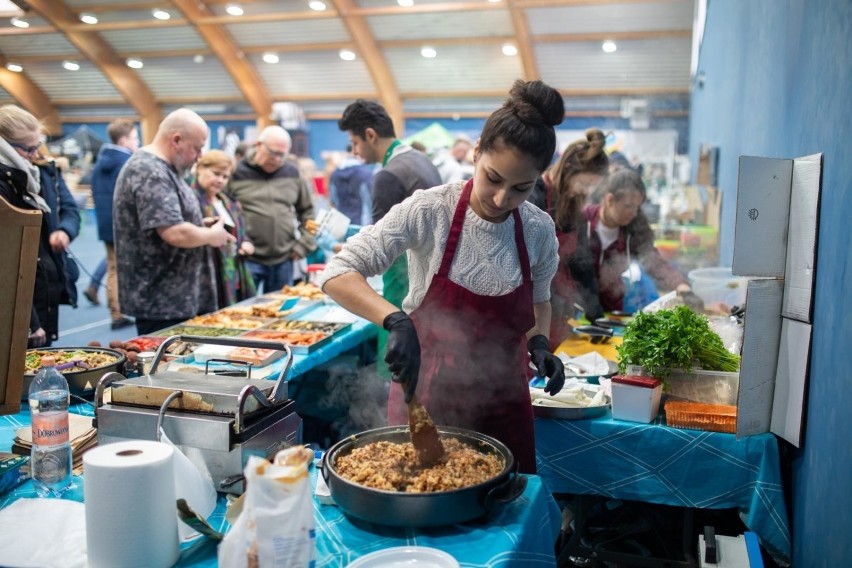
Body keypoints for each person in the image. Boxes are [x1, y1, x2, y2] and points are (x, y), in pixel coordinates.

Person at [320, 80, 568, 474]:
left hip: (507, 399)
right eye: (493, 178)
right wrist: (394, 319)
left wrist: (539, 343)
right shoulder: (429, 210)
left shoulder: (537, 229)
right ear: (475, 154)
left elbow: (540, 296)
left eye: (522, 187)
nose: (502, 199)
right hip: (429, 396)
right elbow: (338, 272)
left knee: (506, 509)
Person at [337, 99, 442, 379]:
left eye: (355, 142)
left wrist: (350, 252)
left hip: (403, 285)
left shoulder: (388, 175)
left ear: (370, 135)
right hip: (432, 283)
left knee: (397, 372)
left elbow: (381, 252)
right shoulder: (421, 161)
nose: (355, 152)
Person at [113, 108, 234, 335]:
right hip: (163, 302)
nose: (199, 156)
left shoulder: (165, 169)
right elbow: (174, 232)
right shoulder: (149, 170)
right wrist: (211, 236)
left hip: (176, 299)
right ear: (176, 140)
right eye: (197, 148)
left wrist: (201, 225)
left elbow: (170, 219)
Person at [0, 105, 80, 347]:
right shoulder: (8, 182)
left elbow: (69, 208)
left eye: (38, 146)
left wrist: (64, 230)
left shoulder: (39, 171)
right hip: (21, 297)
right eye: (28, 149)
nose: (35, 154)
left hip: (42, 283)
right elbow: (7, 260)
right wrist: (31, 322)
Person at [581, 168, 702, 313]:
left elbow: (654, 261)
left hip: (612, 308)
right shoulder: (582, 221)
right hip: (578, 305)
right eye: (628, 206)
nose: (633, 213)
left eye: (637, 207)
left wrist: (683, 288)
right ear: (609, 200)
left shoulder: (634, 227)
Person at [530, 129, 609, 345]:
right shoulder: (534, 194)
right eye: (583, 184)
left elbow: (582, 262)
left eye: (591, 188)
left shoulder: (575, 207)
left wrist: (595, 312)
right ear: (567, 170)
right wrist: (551, 299)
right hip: (532, 312)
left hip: (560, 312)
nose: (584, 193)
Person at [226, 126, 316, 293]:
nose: (278, 159)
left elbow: (309, 214)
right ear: (258, 145)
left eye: (283, 155)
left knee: (281, 313)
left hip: (284, 259)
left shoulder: (292, 173)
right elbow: (222, 211)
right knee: (243, 314)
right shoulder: (236, 172)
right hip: (247, 259)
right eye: (274, 153)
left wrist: (304, 245)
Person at [88, 118, 139, 328]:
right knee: (118, 269)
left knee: (113, 267)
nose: (137, 142)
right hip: (123, 224)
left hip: (105, 221)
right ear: (125, 139)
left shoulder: (101, 162)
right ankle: (118, 312)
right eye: (135, 138)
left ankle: (116, 310)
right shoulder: (126, 162)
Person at [193, 150, 256, 308]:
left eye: (225, 176)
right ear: (200, 168)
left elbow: (240, 233)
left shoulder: (228, 202)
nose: (220, 180)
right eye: (216, 173)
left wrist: (246, 244)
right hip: (207, 277)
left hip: (233, 272)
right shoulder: (191, 199)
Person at [328, 146, 374, 226]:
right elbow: (370, 201)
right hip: (362, 225)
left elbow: (333, 199)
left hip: (341, 225)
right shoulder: (365, 174)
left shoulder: (335, 174)